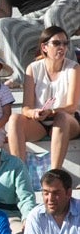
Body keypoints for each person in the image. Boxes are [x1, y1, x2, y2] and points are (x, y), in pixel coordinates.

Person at [7, 25, 80, 173]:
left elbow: (72, 107)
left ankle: (55, 173)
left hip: (68, 121)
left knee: (61, 117)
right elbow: (26, 108)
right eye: (56, 43)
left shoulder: (74, 68)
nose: (62, 47)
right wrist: (34, 113)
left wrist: (51, 111)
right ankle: (20, 174)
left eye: (65, 43)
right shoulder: (33, 68)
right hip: (40, 122)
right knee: (15, 119)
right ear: (44, 47)